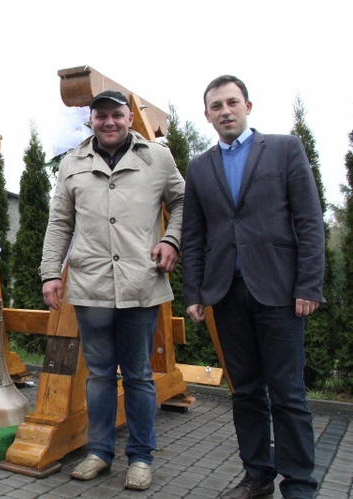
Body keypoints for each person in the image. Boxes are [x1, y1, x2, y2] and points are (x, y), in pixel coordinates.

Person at [181, 75, 325, 499]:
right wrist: (194, 293)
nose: (225, 111)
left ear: (248, 106)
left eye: (232, 102)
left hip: (280, 291)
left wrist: (310, 285)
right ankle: (257, 475)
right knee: (244, 391)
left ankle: (299, 484)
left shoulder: (284, 149)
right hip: (227, 294)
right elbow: (194, 235)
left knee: (288, 394)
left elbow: (309, 221)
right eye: (216, 106)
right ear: (206, 115)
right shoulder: (199, 166)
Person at [40, 90, 184, 491]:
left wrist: (171, 240)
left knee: (138, 374)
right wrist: (51, 272)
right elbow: (59, 224)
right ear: (91, 120)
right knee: (100, 375)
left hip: (141, 283)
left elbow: (184, 202)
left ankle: (141, 458)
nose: (109, 122)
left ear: (128, 119)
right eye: (101, 115)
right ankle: (99, 453)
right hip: (90, 286)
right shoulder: (72, 163)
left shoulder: (156, 158)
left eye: (116, 115)